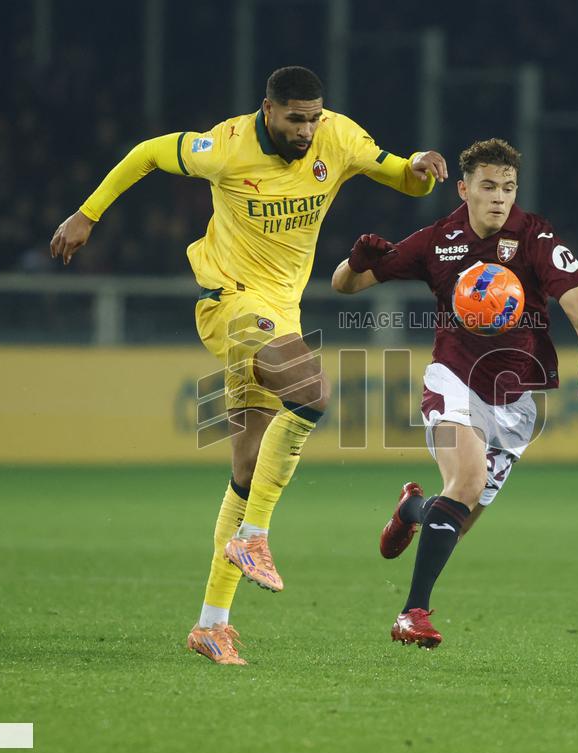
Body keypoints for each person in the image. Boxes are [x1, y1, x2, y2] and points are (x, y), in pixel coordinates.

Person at [49, 66, 447, 665]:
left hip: (278, 316)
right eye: (295, 119)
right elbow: (148, 153)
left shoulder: (337, 137)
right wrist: (88, 214)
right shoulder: (227, 146)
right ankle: (256, 538)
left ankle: (212, 623)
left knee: (246, 469)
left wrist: (421, 164)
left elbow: (406, 181)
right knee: (312, 392)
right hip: (229, 303)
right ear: (268, 110)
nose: (307, 129)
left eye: (314, 117)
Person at [331, 138, 578, 648]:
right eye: (488, 187)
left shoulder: (537, 237)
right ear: (464, 189)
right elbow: (344, 286)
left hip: (518, 401)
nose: (500, 197)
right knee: (468, 479)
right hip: (453, 378)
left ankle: (411, 510)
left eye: (508, 187)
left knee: (454, 521)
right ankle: (411, 613)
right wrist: (354, 262)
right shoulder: (439, 240)